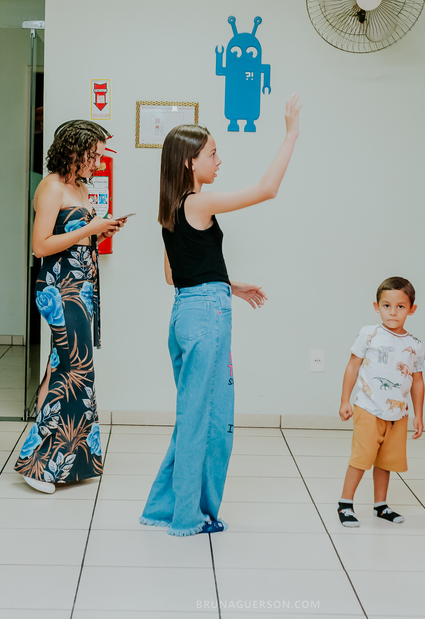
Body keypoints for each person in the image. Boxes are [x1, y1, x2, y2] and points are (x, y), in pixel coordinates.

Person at [140, 94, 302, 537]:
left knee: (194, 414)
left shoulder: (171, 211)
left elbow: (176, 276)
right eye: (212, 153)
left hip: (187, 315)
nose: (219, 160)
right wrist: (291, 134)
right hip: (207, 317)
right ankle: (188, 518)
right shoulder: (198, 203)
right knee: (207, 419)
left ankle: (164, 509)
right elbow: (267, 190)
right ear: (191, 163)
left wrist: (228, 283)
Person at [15, 120, 126, 494]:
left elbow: (76, 236)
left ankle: (55, 459)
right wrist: (89, 230)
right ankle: (40, 468)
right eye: (92, 155)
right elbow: (41, 246)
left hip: (80, 289)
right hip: (60, 290)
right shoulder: (50, 187)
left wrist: (102, 230)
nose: (97, 163)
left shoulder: (78, 186)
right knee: (76, 372)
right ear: (73, 151)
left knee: (61, 368)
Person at [337, 276, 425, 528]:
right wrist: (345, 400)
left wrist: (418, 415)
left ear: (411, 309)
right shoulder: (369, 334)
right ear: (377, 307)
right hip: (367, 408)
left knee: (385, 461)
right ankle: (345, 503)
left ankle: (380, 505)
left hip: (398, 414)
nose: (393, 312)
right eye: (387, 306)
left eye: (400, 306)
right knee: (361, 458)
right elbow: (353, 366)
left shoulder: (415, 345)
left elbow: (418, 382)